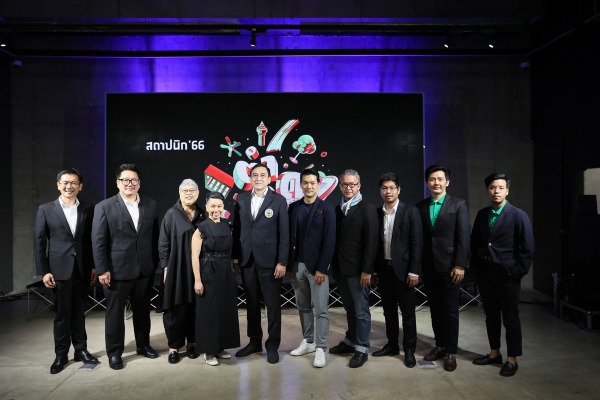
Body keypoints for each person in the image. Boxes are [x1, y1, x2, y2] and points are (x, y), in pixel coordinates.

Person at [92, 163, 160, 370]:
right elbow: (98, 241)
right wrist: (102, 269)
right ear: (117, 183)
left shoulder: (150, 204)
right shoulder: (104, 206)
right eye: (125, 180)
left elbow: (154, 236)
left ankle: (143, 345)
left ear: (139, 183)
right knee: (115, 314)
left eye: (134, 180)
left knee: (143, 311)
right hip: (116, 270)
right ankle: (114, 353)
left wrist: (155, 263)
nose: (130, 183)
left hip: (144, 269)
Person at [34, 168, 99, 374]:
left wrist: (94, 265)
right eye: (65, 182)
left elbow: (91, 240)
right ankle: (61, 355)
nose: (69, 186)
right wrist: (44, 271)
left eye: (73, 183)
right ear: (58, 185)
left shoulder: (88, 209)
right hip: (58, 270)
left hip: (82, 268)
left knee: (79, 312)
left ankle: (81, 350)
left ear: (80, 186)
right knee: (62, 315)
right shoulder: (46, 209)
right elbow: (39, 242)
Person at [470, 173, 534, 377]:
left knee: (510, 318)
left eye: (500, 188)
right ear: (487, 191)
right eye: (492, 188)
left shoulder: (518, 215)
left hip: (508, 277)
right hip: (486, 275)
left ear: (507, 190)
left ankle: (512, 359)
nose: (496, 191)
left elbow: (528, 249)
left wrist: (517, 272)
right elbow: (475, 243)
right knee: (491, 316)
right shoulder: (482, 214)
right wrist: (478, 268)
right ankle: (494, 353)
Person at [232, 164, 289, 364]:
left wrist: (282, 261)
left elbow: (284, 234)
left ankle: (272, 345)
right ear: (250, 178)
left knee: (272, 306)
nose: (258, 178)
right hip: (247, 260)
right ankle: (254, 342)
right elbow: (237, 230)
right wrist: (236, 258)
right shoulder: (242, 199)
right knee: (251, 304)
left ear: (269, 178)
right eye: (254, 175)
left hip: (270, 261)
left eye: (262, 175)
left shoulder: (279, 200)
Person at [416, 165, 470, 372]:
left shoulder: (458, 205)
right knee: (435, 309)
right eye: (432, 179)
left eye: (440, 179)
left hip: (450, 268)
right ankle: (439, 346)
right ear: (427, 182)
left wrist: (460, 264)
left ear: (447, 182)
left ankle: (451, 352)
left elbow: (463, 237)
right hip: (429, 267)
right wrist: (419, 265)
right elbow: (420, 239)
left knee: (450, 311)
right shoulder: (421, 206)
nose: (436, 183)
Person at [372, 172, 423, 368]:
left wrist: (414, 271)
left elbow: (416, 243)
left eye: (392, 188)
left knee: (408, 313)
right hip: (384, 271)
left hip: (404, 271)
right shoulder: (377, 213)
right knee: (388, 312)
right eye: (384, 188)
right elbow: (376, 245)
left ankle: (409, 349)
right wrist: (375, 271)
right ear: (380, 191)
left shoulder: (410, 212)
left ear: (398, 190)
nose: (388, 191)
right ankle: (392, 345)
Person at [329, 169, 378, 368]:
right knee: (349, 309)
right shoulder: (338, 209)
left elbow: (371, 242)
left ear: (359, 186)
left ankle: (362, 348)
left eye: (352, 184)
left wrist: (367, 270)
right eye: (345, 184)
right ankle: (350, 340)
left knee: (361, 311)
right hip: (341, 270)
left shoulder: (367, 208)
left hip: (359, 272)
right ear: (340, 186)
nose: (348, 188)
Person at [287, 169, 336, 368]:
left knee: (321, 310)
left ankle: (321, 348)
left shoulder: (327, 209)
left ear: (318, 183)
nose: (309, 186)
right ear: (301, 184)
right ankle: (308, 342)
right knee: (303, 307)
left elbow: (329, 241)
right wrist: (288, 264)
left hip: (317, 268)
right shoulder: (293, 208)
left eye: (312, 183)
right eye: (305, 183)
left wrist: (322, 268)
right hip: (297, 266)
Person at [159, 179, 205, 364]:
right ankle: (174, 347)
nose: (188, 193)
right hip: (176, 268)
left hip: (198, 268)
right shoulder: (171, 214)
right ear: (179, 193)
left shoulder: (203, 214)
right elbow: (163, 242)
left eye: (192, 190)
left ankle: (192, 343)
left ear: (198, 193)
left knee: (195, 307)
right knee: (176, 308)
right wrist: (165, 267)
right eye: (185, 190)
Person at [192, 192, 240, 366]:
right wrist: (198, 280)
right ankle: (208, 351)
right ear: (206, 207)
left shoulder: (227, 226)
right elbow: (194, 256)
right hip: (208, 270)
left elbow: (230, 252)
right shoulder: (201, 228)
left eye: (219, 206)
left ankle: (220, 347)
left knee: (224, 310)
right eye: (212, 206)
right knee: (210, 312)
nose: (216, 209)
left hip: (225, 271)